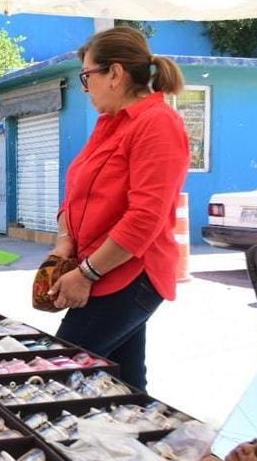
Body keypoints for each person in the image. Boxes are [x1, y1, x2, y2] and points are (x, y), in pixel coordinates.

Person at [47, 26, 190, 392]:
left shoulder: (157, 123)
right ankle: (145, 445)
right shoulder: (110, 123)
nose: (84, 87)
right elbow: (76, 188)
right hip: (101, 271)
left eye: (87, 75)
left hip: (128, 275)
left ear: (114, 74)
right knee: (124, 383)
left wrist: (86, 274)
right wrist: (65, 243)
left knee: (57, 376)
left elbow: (145, 217)